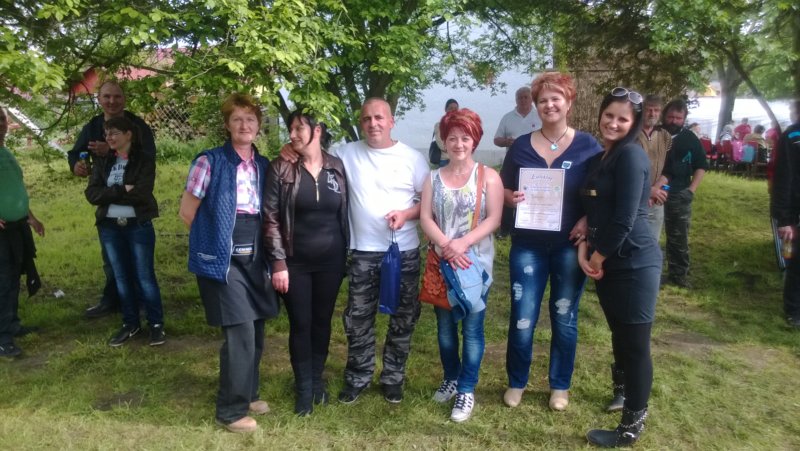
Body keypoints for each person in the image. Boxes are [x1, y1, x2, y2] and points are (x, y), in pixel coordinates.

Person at [280, 98, 429, 405]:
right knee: (358, 319)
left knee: (403, 317)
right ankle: (358, 376)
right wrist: (290, 148)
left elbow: (427, 204)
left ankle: (393, 377)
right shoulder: (344, 154)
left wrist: (406, 214)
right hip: (362, 252)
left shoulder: (413, 159)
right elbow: (312, 154)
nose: (373, 124)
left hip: (403, 252)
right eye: (366, 119)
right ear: (360, 123)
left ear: (391, 121)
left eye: (379, 118)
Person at [500, 72, 602, 411]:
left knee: (564, 316)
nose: (549, 105)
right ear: (536, 106)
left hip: (569, 246)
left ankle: (560, 386)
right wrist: (510, 199)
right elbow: (503, 188)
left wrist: (587, 218)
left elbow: (602, 192)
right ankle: (517, 381)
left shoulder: (589, 146)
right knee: (522, 317)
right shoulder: (520, 146)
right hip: (527, 245)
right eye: (542, 100)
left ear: (568, 102)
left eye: (556, 98)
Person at [179, 93, 279, 433]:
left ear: (258, 126)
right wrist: (213, 244)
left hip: (256, 255)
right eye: (237, 119)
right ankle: (230, 411)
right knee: (240, 330)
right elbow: (187, 212)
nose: (244, 125)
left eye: (250, 119)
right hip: (223, 260)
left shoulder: (263, 165)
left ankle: (248, 393)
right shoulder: (209, 162)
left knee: (257, 327)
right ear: (227, 125)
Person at [579, 87, 662, 448]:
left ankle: (630, 427)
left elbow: (626, 218)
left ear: (635, 123)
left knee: (635, 345)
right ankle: (622, 393)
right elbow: (598, 206)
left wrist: (596, 257)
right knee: (620, 334)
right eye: (609, 115)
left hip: (633, 263)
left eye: (622, 119)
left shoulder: (630, 155)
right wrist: (585, 233)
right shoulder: (604, 157)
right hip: (609, 260)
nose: (613, 123)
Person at [419, 108, 503, 422]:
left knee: (472, 329)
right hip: (443, 265)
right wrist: (446, 245)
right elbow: (426, 217)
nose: (458, 144)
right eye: (452, 137)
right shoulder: (433, 178)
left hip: (475, 266)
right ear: (444, 141)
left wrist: (462, 243)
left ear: (474, 140)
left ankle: (467, 388)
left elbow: (494, 218)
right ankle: (451, 378)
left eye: (465, 137)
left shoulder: (488, 176)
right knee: (444, 330)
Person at [263, 110, 348, 416]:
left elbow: (343, 212)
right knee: (301, 323)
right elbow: (270, 218)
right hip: (294, 263)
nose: (293, 134)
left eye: (300, 128)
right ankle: (303, 389)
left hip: (331, 262)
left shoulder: (336, 167)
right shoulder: (281, 167)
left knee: (322, 322)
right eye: (291, 128)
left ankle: (316, 380)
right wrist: (278, 262)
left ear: (318, 130)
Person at [68, 81, 157, 319]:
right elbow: (75, 153)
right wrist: (76, 165)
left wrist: (111, 151)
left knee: (139, 263)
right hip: (106, 206)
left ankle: (142, 304)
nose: (112, 101)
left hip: (137, 209)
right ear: (99, 99)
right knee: (111, 260)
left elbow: (148, 157)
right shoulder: (93, 126)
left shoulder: (137, 126)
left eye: (117, 96)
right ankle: (112, 300)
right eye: (106, 96)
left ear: (124, 99)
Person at [84, 116, 165, 347]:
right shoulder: (103, 161)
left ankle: (156, 324)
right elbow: (92, 194)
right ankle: (130, 323)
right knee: (120, 277)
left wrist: (109, 193)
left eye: (114, 133)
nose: (108, 137)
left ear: (128, 134)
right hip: (109, 227)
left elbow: (141, 193)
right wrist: (121, 190)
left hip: (137, 225)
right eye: (106, 133)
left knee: (144, 275)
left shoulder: (144, 159)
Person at [0, 106, 44, 358]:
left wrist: (31, 218)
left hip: (17, 226)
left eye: (1, 119)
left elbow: (14, 188)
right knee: (3, 281)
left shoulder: (6, 153)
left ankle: (12, 324)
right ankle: (2, 337)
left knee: (13, 277)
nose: (0, 124)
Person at [661, 99, 708, 288]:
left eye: (678, 118)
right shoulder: (655, 134)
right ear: (664, 116)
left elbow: (701, 165)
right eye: (670, 116)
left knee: (678, 236)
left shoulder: (690, 139)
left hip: (679, 193)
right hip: (653, 192)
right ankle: (649, 272)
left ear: (684, 119)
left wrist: (691, 190)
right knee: (648, 235)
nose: (673, 121)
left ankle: (679, 274)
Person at [495, 86, 543, 237]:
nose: (523, 100)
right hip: (512, 163)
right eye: (519, 97)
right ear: (516, 100)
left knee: (533, 194)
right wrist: (506, 141)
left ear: (531, 99)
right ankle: (505, 229)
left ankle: (534, 224)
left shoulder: (539, 116)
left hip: (536, 163)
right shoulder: (507, 117)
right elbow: (496, 139)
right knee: (506, 192)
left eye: (525, 97)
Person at [771, 100, 800, 329]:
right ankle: (794, 312)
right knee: (796, 264)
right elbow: (783, 179)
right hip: (795, 213)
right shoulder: (792, 136)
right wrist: (784, 219)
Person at [637, 95, 672, 243]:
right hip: (634, 199)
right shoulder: (631, 133)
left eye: (656, 110)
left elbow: (670, 169)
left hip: (657, 199)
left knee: (652, 243)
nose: (652, 114)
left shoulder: (665, 136)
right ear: (641, 111)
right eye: (648, 110)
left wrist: (657, 189)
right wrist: (647, 191)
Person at [431, 99, 459, 167]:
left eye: (456, 108)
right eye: (451, 108)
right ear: (446, 110)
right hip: (445, 160)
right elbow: (441, 144)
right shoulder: (439, 125)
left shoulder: (461, 125)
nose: (453, 110)